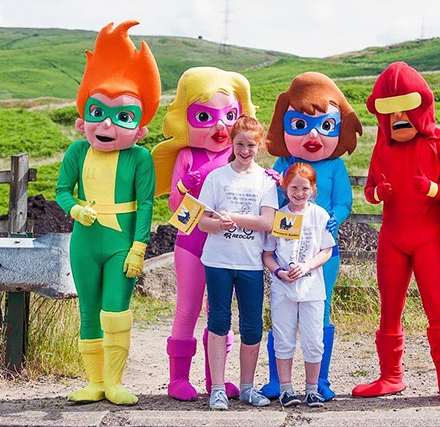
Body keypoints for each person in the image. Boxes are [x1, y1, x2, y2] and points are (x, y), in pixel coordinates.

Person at [55, 20, 161, 406]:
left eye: (123, 117)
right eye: (98, 111)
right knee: (87, 310)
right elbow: (61, 191)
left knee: (115, 311)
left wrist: (139, 246)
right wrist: (75, 210)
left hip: (120, 243)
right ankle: (94, 382)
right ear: (83, 115)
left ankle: (115, 382)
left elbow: (147, 204)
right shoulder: (76, 153)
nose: (107, 125)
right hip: (85, 241)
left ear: (139, 127)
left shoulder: (140, 158)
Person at [351, 62, 440, 404]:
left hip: (428, 239)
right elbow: (369, 190)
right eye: (390, 110)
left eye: (405, 108)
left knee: (437, 308)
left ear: (421, 107)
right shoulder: (382, 147)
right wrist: (379, 194)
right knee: (389, 308)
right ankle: (390, 377)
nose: (399, 117)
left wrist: (430, 188)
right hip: (392, 239)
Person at [151, 67, 257, 401]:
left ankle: (217, 380)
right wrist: (186, 184)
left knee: (219, 310)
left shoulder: (237, 155)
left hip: (227, 249)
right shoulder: (187, 155)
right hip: (192, 245)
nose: (220, 126)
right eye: (204, 116)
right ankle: (178, 378)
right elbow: (174, 208)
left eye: (229, 115)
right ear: (185, 119)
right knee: (187, 308)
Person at [263, 72, 362, 400]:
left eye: (326, 126)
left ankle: (317, 382)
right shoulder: (283, 162)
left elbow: (343, 201)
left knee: (319, 313)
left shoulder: (334, 167)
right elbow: (274, 202)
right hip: (285, 250)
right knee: (281, 314)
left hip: (323, 253)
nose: (314, 136)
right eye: (301, 125)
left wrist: (333, 219)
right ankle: (279, 381)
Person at [197, 115, 278, 410]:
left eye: (251, 145)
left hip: (251, 265)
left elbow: (268, 221)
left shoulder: (266, 182)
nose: (245, 150)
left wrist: (233, 219)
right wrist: (218, 226)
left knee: (253, 326)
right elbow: (202, 221)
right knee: (218, 322)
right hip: (217, 261)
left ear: (260, 146)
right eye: (240, 144)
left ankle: (247, 387)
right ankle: (217, 388)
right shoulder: (216, 178)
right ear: (232, 143)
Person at [262, 163, 336, 408]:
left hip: (312, 289)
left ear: (313, 189)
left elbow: (327, 250)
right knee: (283, 338)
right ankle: (286, 389)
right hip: (283, 289)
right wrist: (280, 272)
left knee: (314, 340)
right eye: (294, 187)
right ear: (285, 188)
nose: (299, 193)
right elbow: (268, 255)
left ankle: (312, 389)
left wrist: (306, 267)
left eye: (305, 188)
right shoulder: (279, 217)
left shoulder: (320, 215)